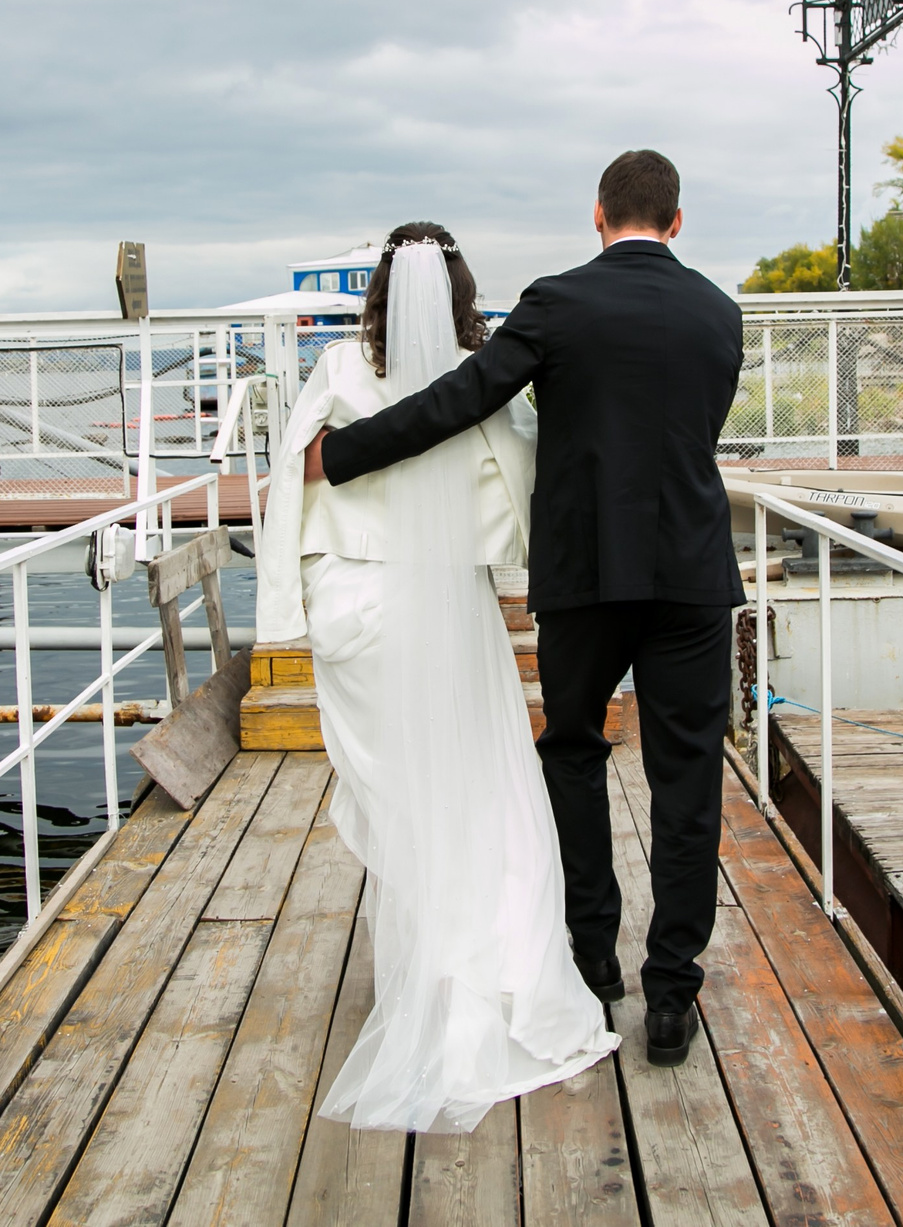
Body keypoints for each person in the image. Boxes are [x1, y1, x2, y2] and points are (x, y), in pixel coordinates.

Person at [307, 150, 745, 1071]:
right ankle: (672, 994)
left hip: (585, 576)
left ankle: (591, 958)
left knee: (576, 752)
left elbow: (460, 400)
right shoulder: (719, 311)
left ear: (598, 215)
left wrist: (343, 455)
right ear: (675, 220)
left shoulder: (557, 302)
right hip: (694, 578)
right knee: (687, 780)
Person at [257, 223, 617, 1133]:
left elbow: (297, 475)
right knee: (475, 784)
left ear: (379, 286)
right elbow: (527, 472)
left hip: (359, 605)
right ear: (460, 289)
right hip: (448, 607)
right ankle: (480, 967)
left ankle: (428, 959)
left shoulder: (339, 367)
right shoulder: (480, 375)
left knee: (403, 793)